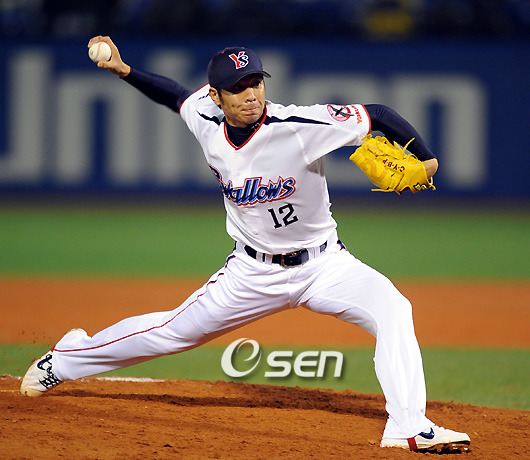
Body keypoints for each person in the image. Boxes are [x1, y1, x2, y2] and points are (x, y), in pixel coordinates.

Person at [21, 36, 470, 454]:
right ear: (216, 96)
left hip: (326, 264)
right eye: (237, 87)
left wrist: (427, 159)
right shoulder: (205, 117)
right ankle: (64, 360)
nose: (251, 94)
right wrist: (125, 71)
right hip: (251, 273)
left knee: (394, 309)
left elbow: (379, 113)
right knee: (174, 332)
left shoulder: (299, 125)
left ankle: (408, 427)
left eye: (255, 82)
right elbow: (174, 96)